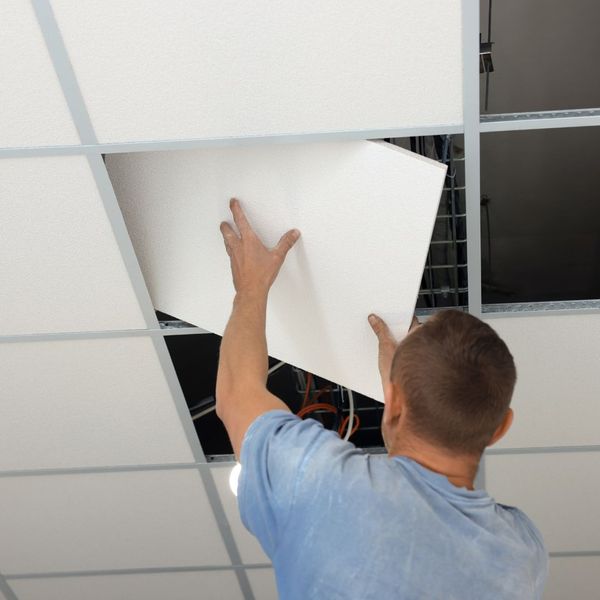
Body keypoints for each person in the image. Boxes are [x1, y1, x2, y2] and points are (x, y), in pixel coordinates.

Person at [216, 198, 548, 599]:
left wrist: (251, 287)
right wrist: (403, 406)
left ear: (393, 403)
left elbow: (236, 396)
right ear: (500, 427)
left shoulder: (320, 485)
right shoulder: (521, 555)